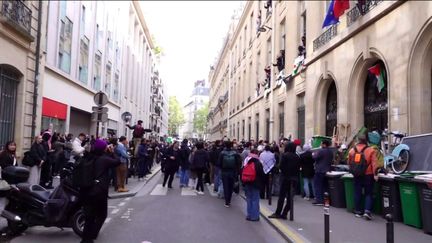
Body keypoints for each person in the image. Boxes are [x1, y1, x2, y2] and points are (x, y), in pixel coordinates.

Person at [81, 139, 121, 243]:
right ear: (104, 148)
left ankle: (86, 239)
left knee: (89, 216)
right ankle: (91, 236)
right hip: (99, 191)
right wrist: (112, 152)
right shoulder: (104, 159)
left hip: (87, 189)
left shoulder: (89, 156)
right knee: (102, 214)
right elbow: (117, 161)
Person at [348, 133, 379, 220]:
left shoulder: (352, 150)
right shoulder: (371, 150)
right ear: (366, 140)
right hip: (368, 175)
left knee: (357, 192)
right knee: (368, 193)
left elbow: (349, 163)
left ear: (358, 140)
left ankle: (358, 211)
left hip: (357, 175)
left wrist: (353, 170)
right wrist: (375, 174)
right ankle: (367, 211)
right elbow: (374, 164)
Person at [269, 142, 300, 220]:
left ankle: (278, 213)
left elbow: (281, 166)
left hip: (285, 178)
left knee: (282, 196)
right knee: (290, 197)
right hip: (294, 178)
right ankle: (285, 213)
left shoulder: (285, 155)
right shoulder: (297, 156)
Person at [243, 149, 265, 221]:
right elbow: (262, 174)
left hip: (247, 182)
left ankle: (249, 215)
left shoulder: (247, 162)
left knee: (249, 199)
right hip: (256, 183)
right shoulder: (258, 163)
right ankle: (255, 216)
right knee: (255, 199)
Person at [217, 141, 241, 208]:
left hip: (224, 172)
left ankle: (226, 202)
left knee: (225, 186)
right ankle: (229, 200)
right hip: (233, 172)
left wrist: (222, 168)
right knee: (231, 187)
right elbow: (238, 164)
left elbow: (219, 163)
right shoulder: (235, 153)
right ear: (231, 145)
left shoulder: (222, 153)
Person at [312, 139, 333, 206]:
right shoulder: (330, 152)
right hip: (327, 170)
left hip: (319, 170)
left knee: (317, 185)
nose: (320, 145)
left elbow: (315, 157)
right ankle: (326, 201)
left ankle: (319, 201)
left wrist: (313, 154)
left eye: (321, 143)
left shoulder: (321, 151)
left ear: (324, 144)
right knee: (325, 186)